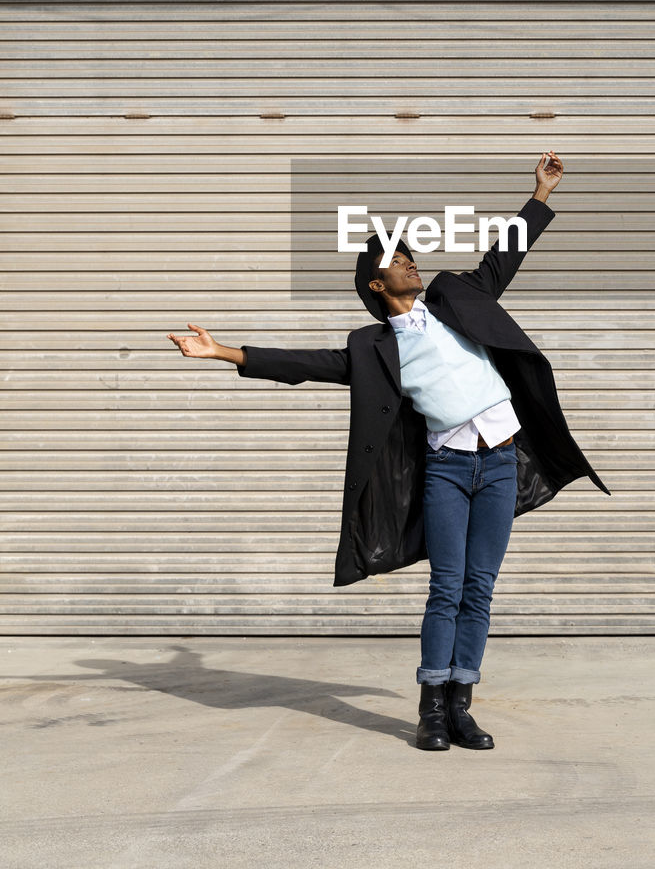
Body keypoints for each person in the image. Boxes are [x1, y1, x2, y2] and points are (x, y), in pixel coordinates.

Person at [167, 151, 610, 752]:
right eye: (396, 260)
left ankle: (462, 707)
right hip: (449, 472)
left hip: (502, 463)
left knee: (480, 586)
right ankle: (431, 710)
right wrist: (223, 353)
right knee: (447, 587)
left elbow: (504, 256)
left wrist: (541, 194)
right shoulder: (374, 348)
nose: (409, 261)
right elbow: (307, 366)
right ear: (377, 285)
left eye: (409, 254)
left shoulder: (459, 297)